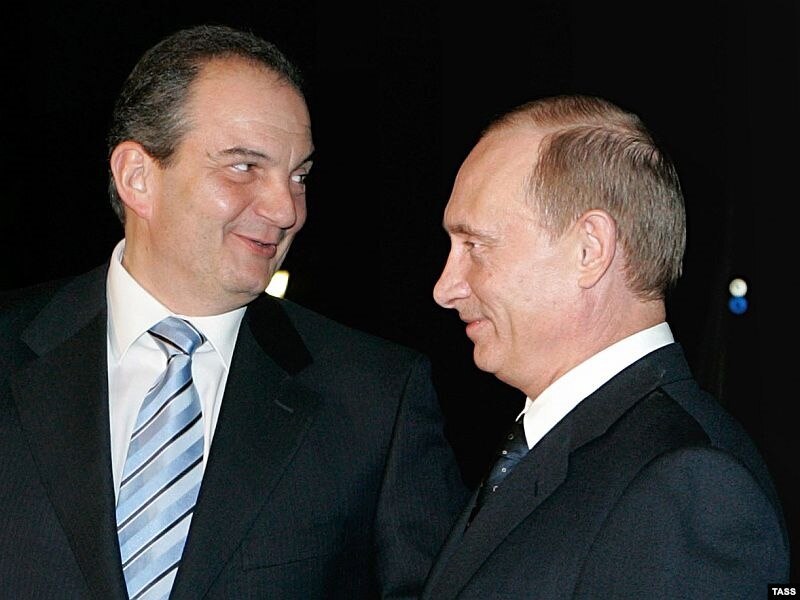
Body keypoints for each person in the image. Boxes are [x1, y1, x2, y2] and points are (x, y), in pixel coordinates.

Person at [0, 24, 467, 599]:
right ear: (137, 177)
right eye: (244, 166)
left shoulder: (376, 399)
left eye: (299, 176)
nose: (286, 209)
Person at [422, 94, 790, 598]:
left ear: (589, 249)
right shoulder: (561, 444)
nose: (445, 288)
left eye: (475, 246)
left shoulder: (690, 485)